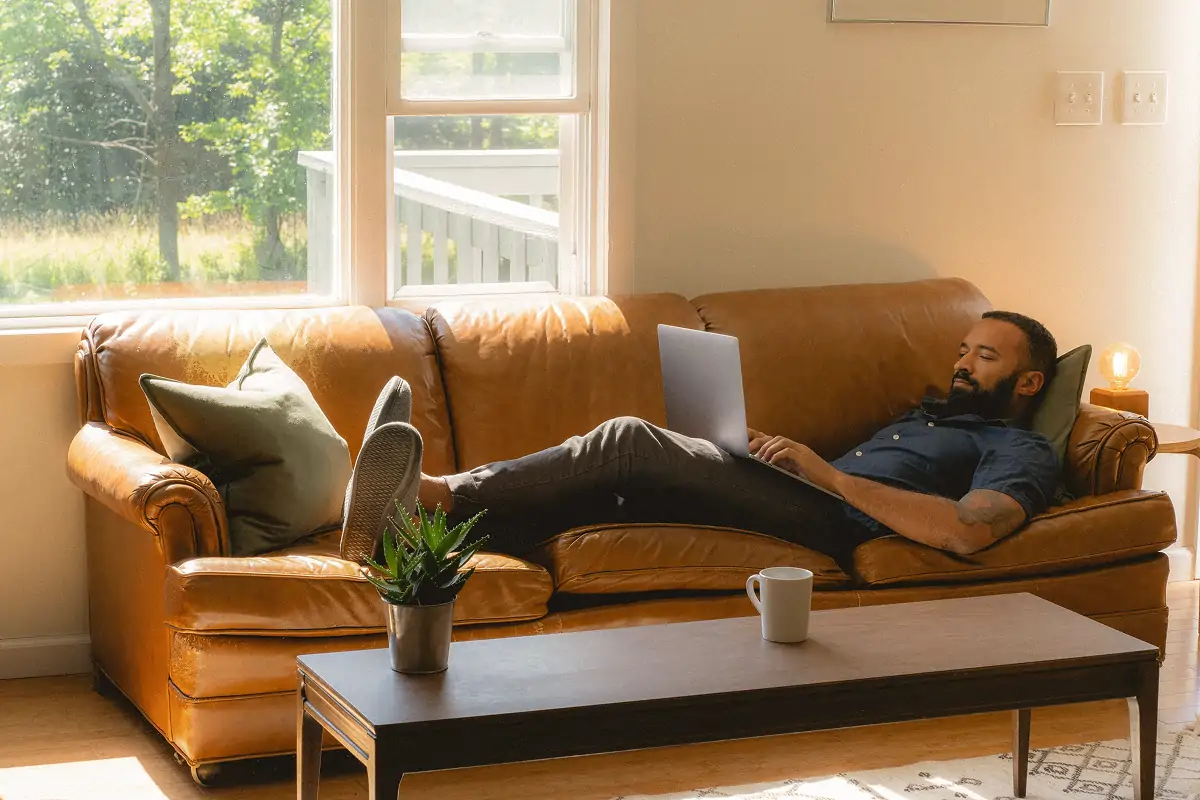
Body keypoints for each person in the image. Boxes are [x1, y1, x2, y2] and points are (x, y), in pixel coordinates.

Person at [340, 311, 1062, 566]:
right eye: (964, 350)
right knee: (617, 487)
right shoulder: (932, 414)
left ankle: (430, 495)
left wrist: (830, 477)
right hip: (802, 492)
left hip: (836, 523)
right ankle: (404, 535)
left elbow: (969, 532)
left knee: (626, 441)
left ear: (1029, 384)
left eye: (986, 358)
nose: (964, 364)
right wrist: (768, 452)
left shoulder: (1020, 450)